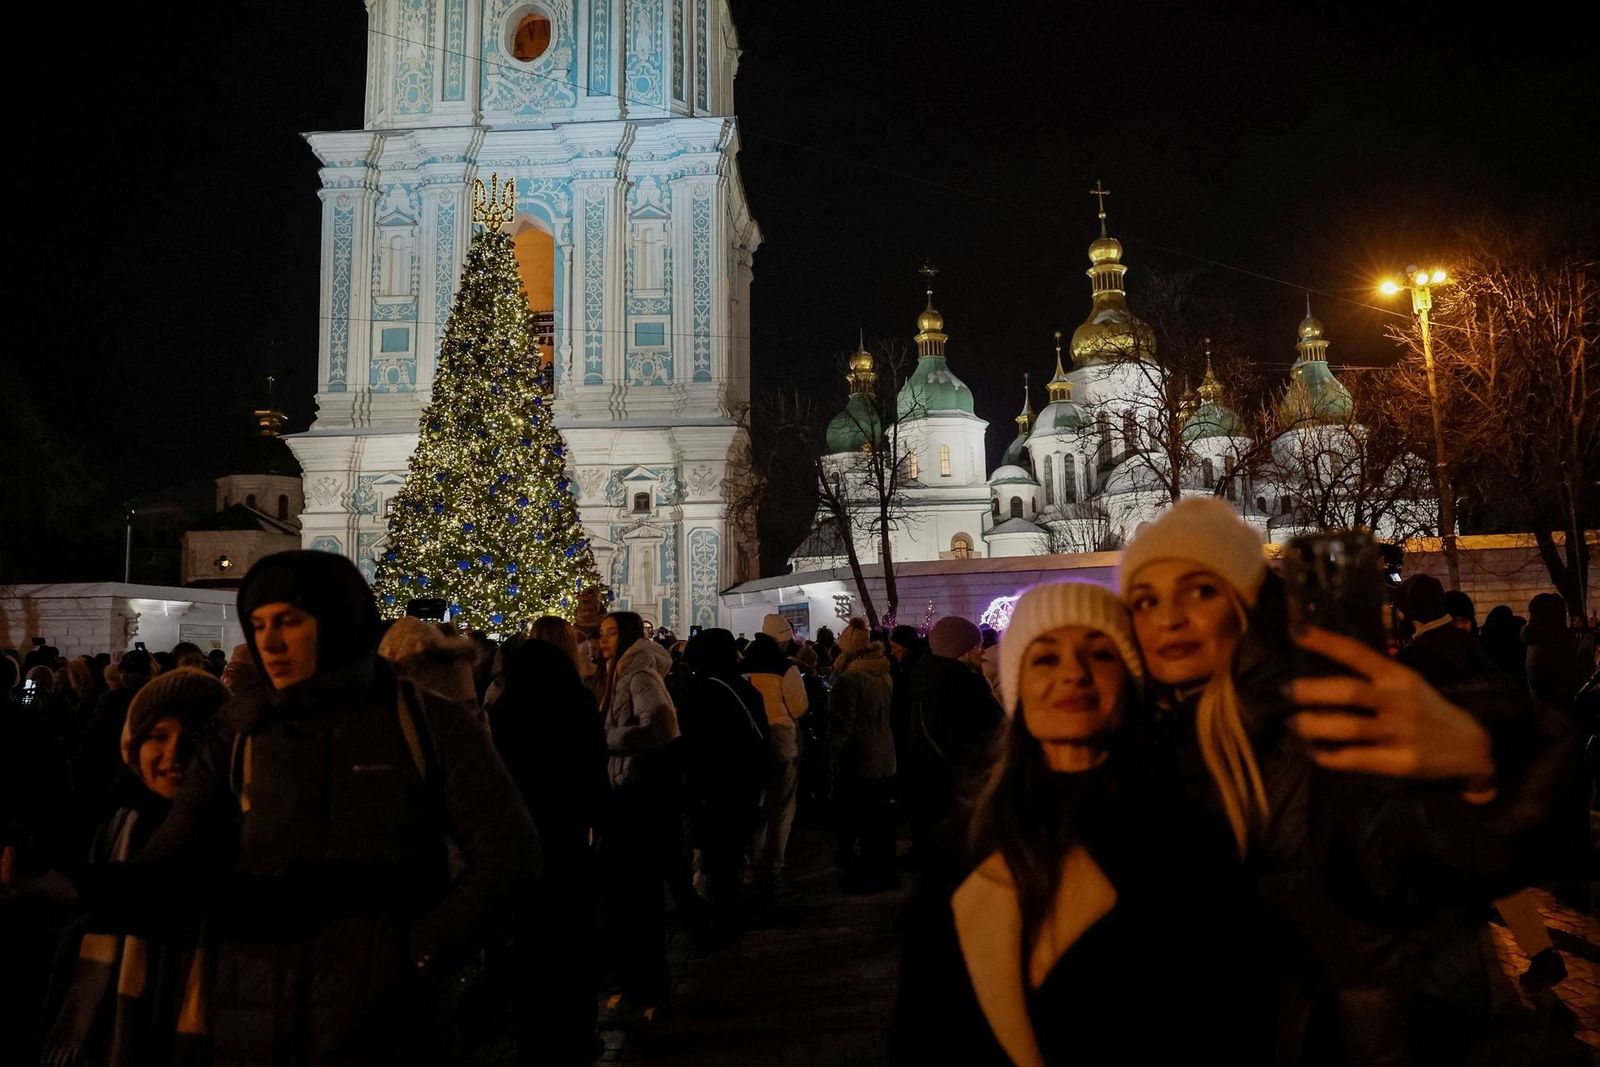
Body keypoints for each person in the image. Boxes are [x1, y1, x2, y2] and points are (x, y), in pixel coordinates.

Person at [1120, 498, 1574, 1065]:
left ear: (1247, 604)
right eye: (1145, 600)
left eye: (1201, 591)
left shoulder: (1319, 719)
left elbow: (1479, 846)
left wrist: (1479, 759)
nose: (1168, 619)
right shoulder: (1141, 747)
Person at [89, 550, 541, 1064]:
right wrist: (69, 888)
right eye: (258, 625)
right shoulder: (239, 733)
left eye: (289, 622)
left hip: (386, 1027)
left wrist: (417, 953)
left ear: (338, 621)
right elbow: (172, 862)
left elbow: (509, 854)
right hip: (254, 1019)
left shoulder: (425, 723)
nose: (270, 643)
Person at [893, 583, 1260, 1065]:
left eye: (1100, 655)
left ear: (1130, 681)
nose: (1073, 674)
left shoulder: (1189, 839)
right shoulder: (966, 844)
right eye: (1045, 659)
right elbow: (923, 1023)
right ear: (1017, 684)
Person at [41, 669, 229, 1066]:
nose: (173, 755)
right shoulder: (114, 823)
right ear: (133, 742)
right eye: (158, 736)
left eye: (193, 740)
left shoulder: (233, 832)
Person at [490, 636, 607, 1065]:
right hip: (570, 837)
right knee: (573, 942)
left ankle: (534, 1037)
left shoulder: (506, 710)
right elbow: (595, 770)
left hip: (526, 840)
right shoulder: (576, 703)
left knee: (531, 947)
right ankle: (578, 1032)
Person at [596, 610, 681, 1022]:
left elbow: (663, 727)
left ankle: (652, 991)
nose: (603, 640)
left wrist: (611, 741)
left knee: (641, 898)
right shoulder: (615, 674)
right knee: (624, 899)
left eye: (610, 633)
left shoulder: (640, 675)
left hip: (636, 799)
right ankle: (633, 985)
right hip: (621, 795)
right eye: (601, 634)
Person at [667, 629, 769, 943]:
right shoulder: (745, 688)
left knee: (714, 858)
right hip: (744, 786)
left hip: (712, 789)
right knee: (733, 854)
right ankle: (734, 916)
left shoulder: (700, 692)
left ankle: (720, 924)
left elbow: (693, 744)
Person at [903, 616, 1004, 862]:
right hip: (963, 790)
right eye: (978, 646)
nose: (982, 653)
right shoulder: (967, 687)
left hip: (930, 786)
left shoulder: (921, 680)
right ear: (963, 649)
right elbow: (993, 733)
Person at [828, 618, 897, 893]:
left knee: (855, 820)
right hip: (884, 753)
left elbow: (843, 723)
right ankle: (883, 872)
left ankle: (860, 877)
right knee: (879, 819)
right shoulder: (884, 673)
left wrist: (832, 754)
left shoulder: (851, 678)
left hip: (857, 757)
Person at [742, 620, 810, 892]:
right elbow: (799, 707)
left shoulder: (742, 664)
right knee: (781, 808)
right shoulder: (786, 668)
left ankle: (749, 865)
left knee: (756, 805)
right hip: (783, 743)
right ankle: (773, 868)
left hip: (752, 742)